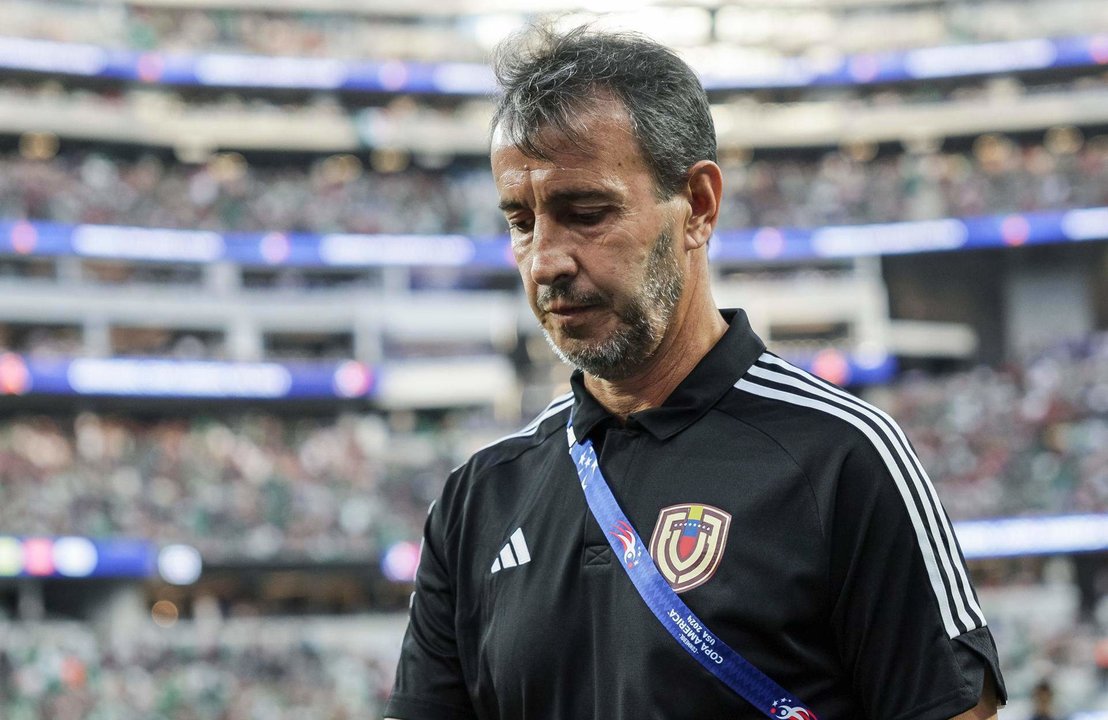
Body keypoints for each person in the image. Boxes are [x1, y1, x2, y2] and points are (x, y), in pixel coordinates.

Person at [385, 25, 1005, 720]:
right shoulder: (479, 500)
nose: (545, 261)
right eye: (521, 222)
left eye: (585, 214)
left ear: (699, 207)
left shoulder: (845, 457)